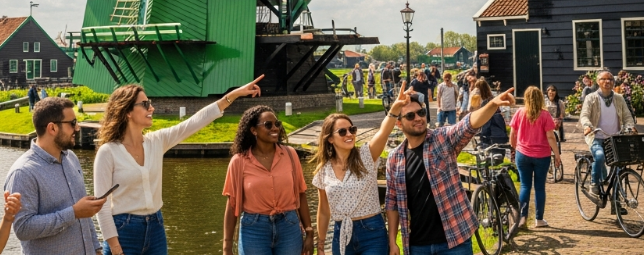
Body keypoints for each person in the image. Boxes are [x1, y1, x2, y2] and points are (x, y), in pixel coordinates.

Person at [94, 76, 264, 255]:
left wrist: (234, 95)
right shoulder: (108, 152)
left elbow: (193, 123)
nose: (151, 107)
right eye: (145, 104)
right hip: (123, 231)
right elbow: (101, 205)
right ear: (127, 111)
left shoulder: (156, 141)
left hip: (155, 227)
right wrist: (115, 247)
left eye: (149, 103)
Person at [386, 85, 516, 255]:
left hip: (454, 241)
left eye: (421, 113)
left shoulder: (442, 139)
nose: (418, 118)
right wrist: (392, 242)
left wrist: (492, 104)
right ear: (399, 123)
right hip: (417, 245)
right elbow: (392, 202)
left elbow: (468, 124)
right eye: (410, 115)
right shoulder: (395, 159)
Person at [313, 81, 413, 255]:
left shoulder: (366, 156)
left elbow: (383, 132)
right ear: (330, 139)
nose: (350, 134)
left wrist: (395, 109)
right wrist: (321, 245)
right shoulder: (324, 170)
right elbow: (323, 211)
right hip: (341, 234)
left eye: (352, 129)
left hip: (371, 231)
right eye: (342, 132)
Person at [5, 97, 105, 255]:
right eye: (72, 123)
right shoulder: (23, 172)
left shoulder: (71, 158)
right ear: (52, 128)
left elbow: (84, 215)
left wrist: (96, 249)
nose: (77, 128)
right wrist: (73, 213)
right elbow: (23, 228)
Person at [223, 104, 314, 255]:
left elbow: (301, 194)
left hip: (289, 226)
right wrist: (227, 247)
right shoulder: (239, 161)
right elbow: (232, 204)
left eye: (277, 124)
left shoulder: (290, 155)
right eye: (268, 125)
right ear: (253, 130)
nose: (275, 128)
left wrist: (309, 233)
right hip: (254, 229)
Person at [509, 87, 561, 228]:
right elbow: (550, 136)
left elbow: (512, 134)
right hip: (541, 156)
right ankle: (539, 220)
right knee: (539, 187)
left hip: (523, 154)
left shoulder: (520, 112)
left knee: (525, 185)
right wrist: (557, 155)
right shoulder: (545, 115)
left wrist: (514, 150)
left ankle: (523, 218)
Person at [579, 70, 637, 197]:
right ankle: (594, 184)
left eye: (610, 79)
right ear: (598, 82)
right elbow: (584, 115)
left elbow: (627, 116)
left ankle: (617, 202)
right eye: (604, 79)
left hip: (615, 138)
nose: (607, 82)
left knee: (619, 168)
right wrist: (587, 126)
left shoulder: (619, 98)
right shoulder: (591, 98)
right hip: (597, 137)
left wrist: (630, 126)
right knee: (599, 156)